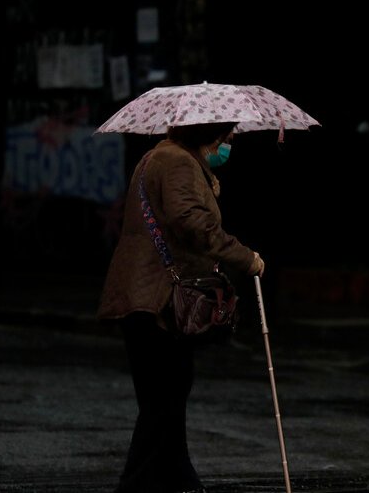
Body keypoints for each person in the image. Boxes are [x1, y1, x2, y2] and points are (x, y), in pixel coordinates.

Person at [97, 121, 265, 493]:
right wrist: (245, 257)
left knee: (166, 396)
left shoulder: (159, 157)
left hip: (145, 296)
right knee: (164, 400)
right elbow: (191, 221)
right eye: (229, 131)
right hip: (158, 300)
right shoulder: (177, 162)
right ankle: (136, 484)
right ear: (210, 131)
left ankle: (181, 478)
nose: (233, 138)